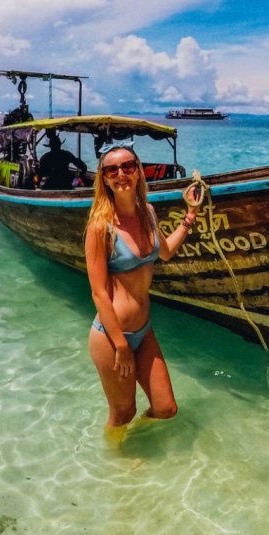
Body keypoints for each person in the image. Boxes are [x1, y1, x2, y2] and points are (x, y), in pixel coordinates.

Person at [85, 147, 204, 444]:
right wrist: (122, 345)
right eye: (112, 170)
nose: (121, 174)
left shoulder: (147, 213)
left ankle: (135, 444)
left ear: (138, 171)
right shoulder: (101, 227)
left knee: (166, 408)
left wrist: (190, 214)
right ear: (105, 180)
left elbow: (164, 252)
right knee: (122, 413)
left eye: (127, 166)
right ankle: (116, 466)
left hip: (143, 330)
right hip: (112, 338)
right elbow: (99, 293)